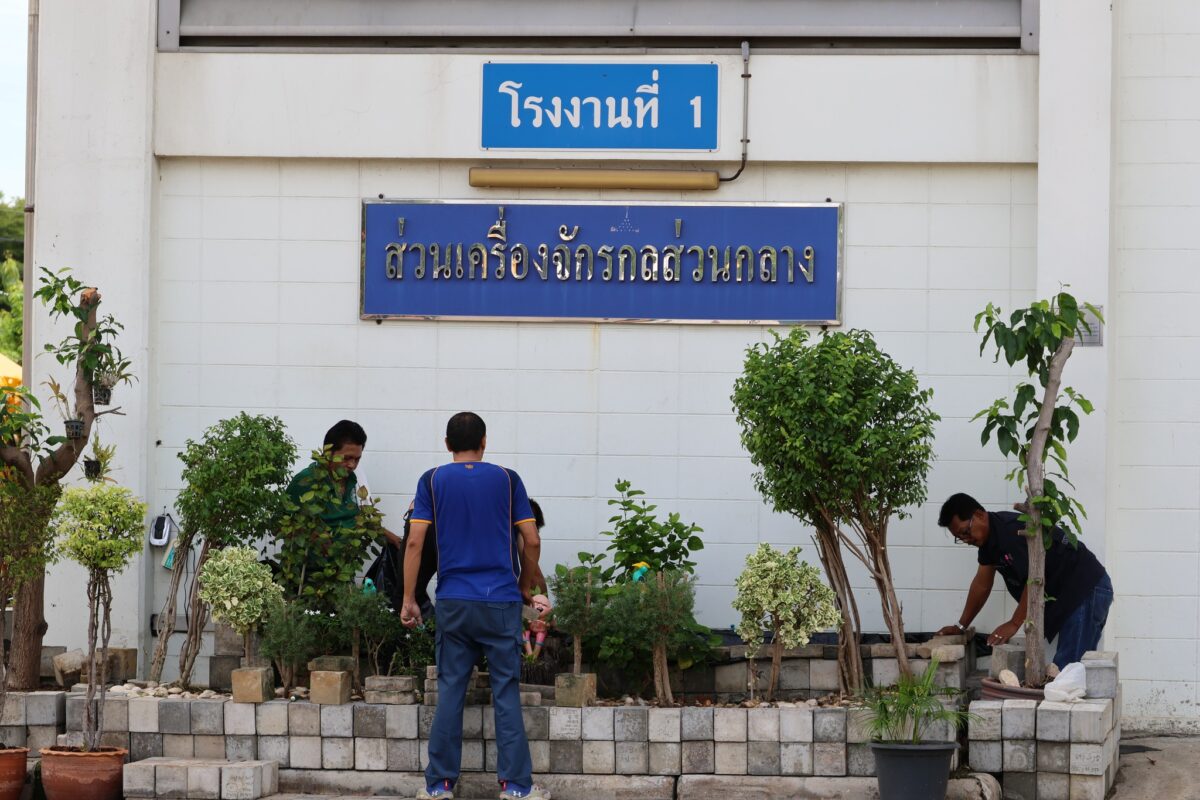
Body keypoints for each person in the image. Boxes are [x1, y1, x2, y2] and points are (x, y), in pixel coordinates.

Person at [401, 412, 548, 800]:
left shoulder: (431, 480)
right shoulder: (507, 479)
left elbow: (414, 542)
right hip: (500, 601)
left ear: (447, 444)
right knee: (506, 693)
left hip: (454, 601)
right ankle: (516, 788)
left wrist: (409, 598)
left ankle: (439, 786)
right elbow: (532, 540)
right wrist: (524, 584)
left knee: (450, 691)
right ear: (484, 442)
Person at [935, 492, 1113, 669]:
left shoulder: (1012, 532)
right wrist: (961, 626)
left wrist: (1014, 623)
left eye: (965, 532)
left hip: (1085, 588)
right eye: (960, 538)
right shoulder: (988, 542)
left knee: (1068, 671)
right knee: (1071, 671)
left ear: (979, 515)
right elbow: (982, 584)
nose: (966, 540)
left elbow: (1035, 579)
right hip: (1077, 594)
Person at [400, 498, 545, 622]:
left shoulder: (490, 509)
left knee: (411, 594)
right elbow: (534, 569)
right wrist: (543, 612)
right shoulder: (516, 517)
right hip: (431, 520)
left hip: (427, 517)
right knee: (410, 597)